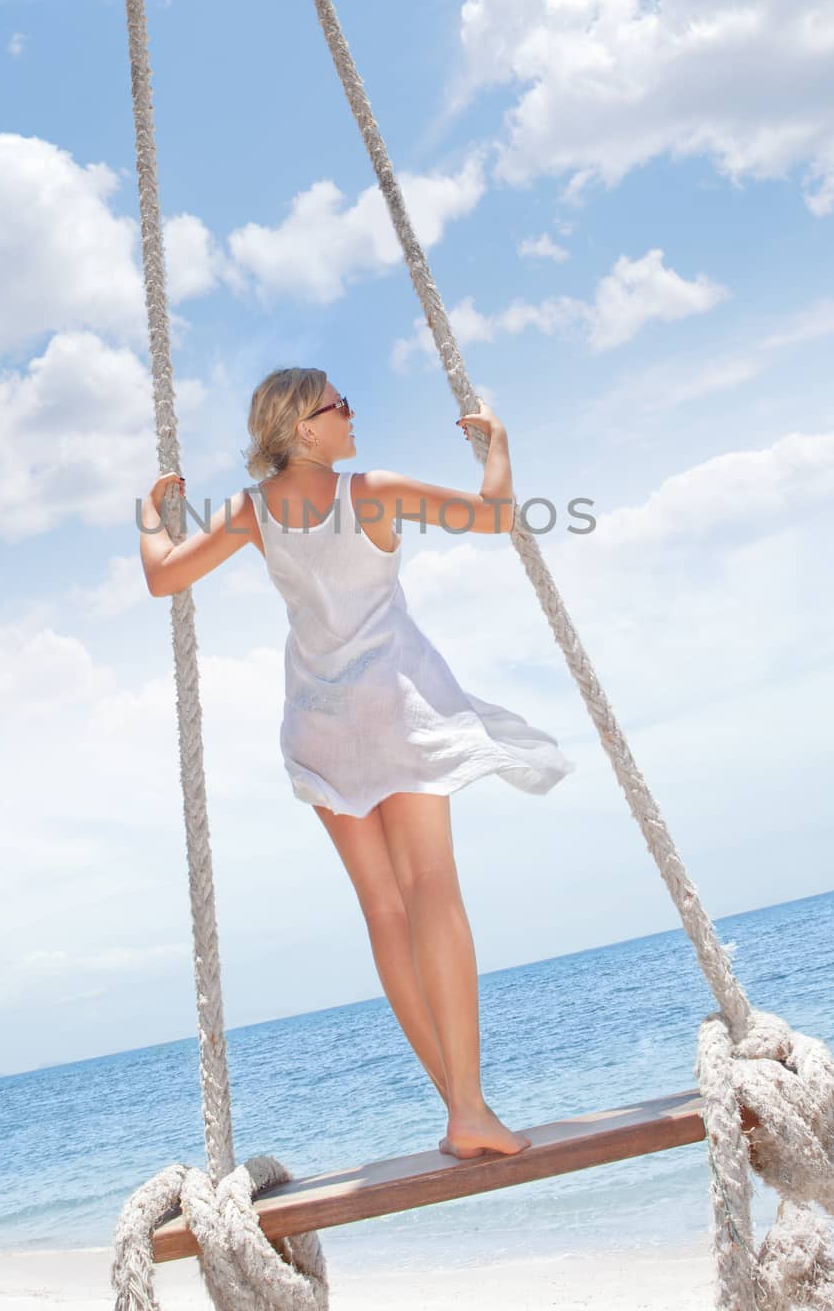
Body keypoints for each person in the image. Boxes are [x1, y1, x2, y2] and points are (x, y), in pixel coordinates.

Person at [138, 367, 575, 1159]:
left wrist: (149, 520)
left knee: (383, 911)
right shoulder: (370, 489)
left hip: (318, 722)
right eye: (337, 404)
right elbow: (494, 516)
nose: (350, 412)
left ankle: (457, 1107)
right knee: (432, 888)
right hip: (396, 709)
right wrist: (498, 447)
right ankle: (470, 1108)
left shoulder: (250, 510)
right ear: (303, 428)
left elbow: (162, 575)